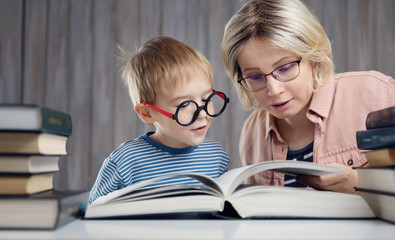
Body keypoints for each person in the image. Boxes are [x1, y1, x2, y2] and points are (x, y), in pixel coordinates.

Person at [221, 0, 395, 194]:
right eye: (255, 77)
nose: (274, 89)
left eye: (285, 68)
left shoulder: (377, 93)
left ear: (314, 56)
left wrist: (360, 182)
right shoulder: (252, 133)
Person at [89, 36, 230, 204]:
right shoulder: (126, 163)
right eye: (184, 104)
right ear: (147, 113)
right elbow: (93, 212)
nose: (202, 114)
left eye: (207, 99)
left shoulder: (216, 157)